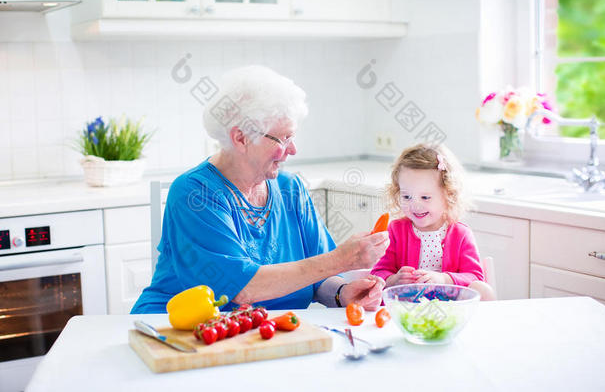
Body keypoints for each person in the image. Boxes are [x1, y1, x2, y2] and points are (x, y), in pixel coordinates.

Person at [131, 65, 390, 314]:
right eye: (284, 138)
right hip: (177, 331)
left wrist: (342, 292)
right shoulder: (195, 194)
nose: (293, 150)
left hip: (262, 334)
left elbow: (318, 276)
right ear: (241, 138)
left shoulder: (291, 189)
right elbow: (243, 290)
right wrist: (342, 259)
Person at [370, 143, 496, 301]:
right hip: (408, 307)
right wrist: (394, 280)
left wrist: (444, 280)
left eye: (425, 197)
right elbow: (377, 272)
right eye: (407, 196)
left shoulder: (460, 233)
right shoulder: (395, 230)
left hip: (451, 310)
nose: (415, 205)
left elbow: (475, 277)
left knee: (482, 289)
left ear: (448, 195)